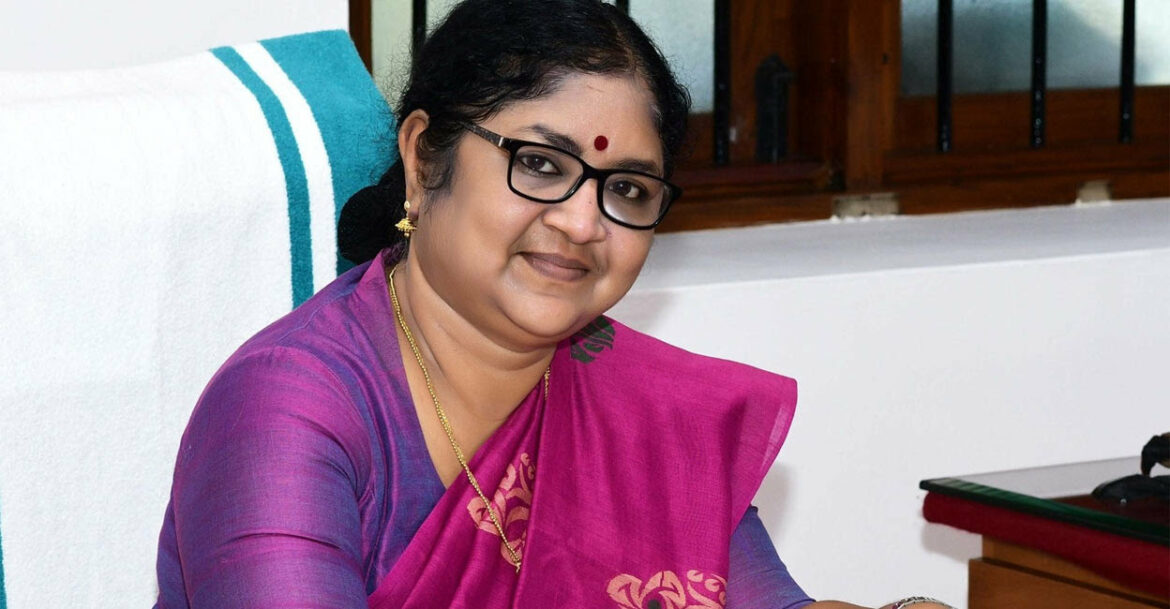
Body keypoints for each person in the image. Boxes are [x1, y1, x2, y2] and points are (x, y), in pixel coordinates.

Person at [153, 1, 953, 608]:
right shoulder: (287, 409)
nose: (582, 222)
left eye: (627, 189)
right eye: (540, 164)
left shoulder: (645, 416)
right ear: (424, 156)